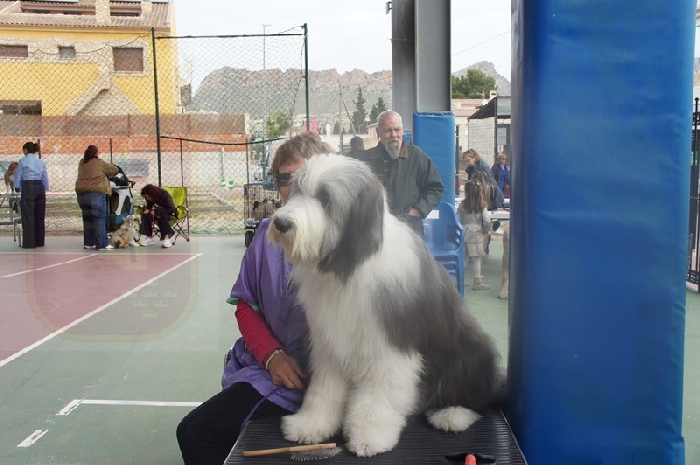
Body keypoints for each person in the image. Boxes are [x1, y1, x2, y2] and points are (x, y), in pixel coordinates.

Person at [176, 132, 334, 465]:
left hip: (332, 382)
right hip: (276, 373)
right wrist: (272, 355)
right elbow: (246, 305)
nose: (294, 187)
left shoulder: (345, 237)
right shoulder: (265, 235)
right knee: (195, 432)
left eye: (304, 176)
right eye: (285, 179)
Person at [357, 110, 444, 238]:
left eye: (397, 130)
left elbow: (435, 188)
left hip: (409, 230)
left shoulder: (416, 157)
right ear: (378, 132)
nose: (393, 135)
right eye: (388, 130)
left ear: (402, 130)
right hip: (373, 232)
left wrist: (417, 210)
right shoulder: (365, 160)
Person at [75, 145, 119, 250]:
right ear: (96, 153)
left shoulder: (81, 163)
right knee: (99, 219)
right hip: (96, 194)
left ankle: (89, 243)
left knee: (87, 219)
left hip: (81, 194)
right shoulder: (100, 163)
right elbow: (114, 170)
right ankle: (102, 244)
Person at [457, 179, 492, 291]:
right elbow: (487, 221)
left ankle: (459, 281)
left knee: (463, 258)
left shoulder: (462, 205)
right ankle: (477, 283)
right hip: (476, 234)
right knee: (477, 259)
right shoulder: (482, 205)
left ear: (466, 191)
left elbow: (457, 219)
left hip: (464, 233)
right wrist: (485, 231)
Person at [14, 141, 49, 249]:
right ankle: (39, 241)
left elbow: (18, 175)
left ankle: (29, 243)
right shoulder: (41, 162)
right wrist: (45, 188)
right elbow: (45, 176)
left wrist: (17, 186)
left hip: (28, 187)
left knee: (28, 215)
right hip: (40, 187)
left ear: (25, 150)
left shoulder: (23, 161)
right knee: (39, 215)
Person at [139, 184, 177, 248]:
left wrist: (157, 212)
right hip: (159, 211)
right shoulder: (153, 197)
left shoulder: (165, 195)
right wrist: (148, 209)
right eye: (146, 197)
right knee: (146, 215)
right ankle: (149, 238)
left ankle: (167, 239)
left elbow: (171, 209)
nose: (147, 198)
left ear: (152, 194)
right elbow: (150, 203)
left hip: (169, 213)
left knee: (162, 216)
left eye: (148, 197)